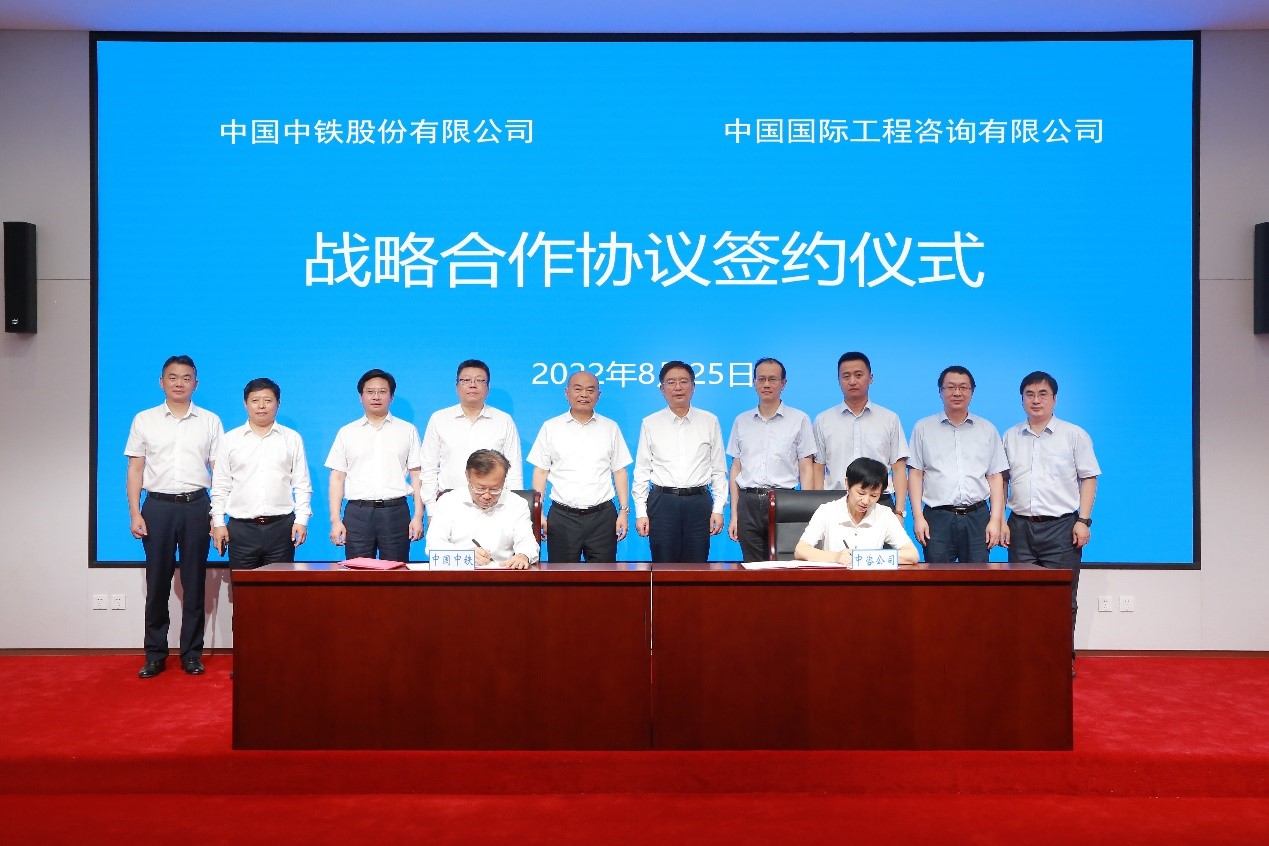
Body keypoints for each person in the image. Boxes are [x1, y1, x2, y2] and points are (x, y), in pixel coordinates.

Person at [124, 355, 224, 678]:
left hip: (197, 506)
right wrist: (135, 512)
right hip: (157, 507)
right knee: (157, 584)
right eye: (173, 377)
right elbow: (135, 469)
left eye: (186, 378)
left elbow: (219, 472)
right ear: (161, 382)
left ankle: (191, 654)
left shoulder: (210, 421)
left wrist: (218, 517)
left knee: (194, 582)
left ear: (196, 383)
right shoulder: (144, 419)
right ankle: (155, 654)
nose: (179, 383)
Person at [1002, 371, 1101, 648]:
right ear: (1022, 399)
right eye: (1030, 394)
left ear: (1054, 399)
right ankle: (1026, 659)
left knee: (1062, 598)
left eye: (1043, 394)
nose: (1036, 400)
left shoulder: (1074, 435)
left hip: (1061, 528)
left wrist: (1083, 520)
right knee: (1021, 598)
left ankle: (1060, 661)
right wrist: (1000, 520)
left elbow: (1089, 477)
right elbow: (1001, 480)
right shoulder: (1010, 436)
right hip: (1020, 526)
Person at [528, 370, 633, 562]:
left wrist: (623, 511)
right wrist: (538, 513)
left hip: (603, 517)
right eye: (578, 389)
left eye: (590, 390)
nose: (584, 394)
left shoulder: (610, 427)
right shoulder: (551, 427)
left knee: (603, 576)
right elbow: (541, 472)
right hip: (563, 517)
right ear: (566, 393)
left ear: (598, 395)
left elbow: (619, 471)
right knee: (562, 576)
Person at [908, 365, 1008, 563]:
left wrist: (995, 519)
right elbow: (916, 474)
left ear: (972, 391)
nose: (957, 393)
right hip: (937, 518)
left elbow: (995, 476)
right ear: (940, 391)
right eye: (951, 387)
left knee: (978, 577)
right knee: (937, 578)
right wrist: (918, 518)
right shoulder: (923, 428)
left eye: (963, 387)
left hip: (977, 517)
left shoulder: (987, 429)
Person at [210, 378, 312, 570]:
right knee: (242, 588)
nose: (261, 406)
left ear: (278, 403)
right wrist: (218, 522)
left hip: (281, 529)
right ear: (245, 403)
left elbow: (302, 484)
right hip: (241, 530)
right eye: (255, 400)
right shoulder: (229, 440)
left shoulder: (292, 439)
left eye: (268, 400)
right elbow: (220, 486)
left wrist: (301, 520)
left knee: (280, 587)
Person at [632, 361, 728, 563]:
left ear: (693, 386)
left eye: (684, 381)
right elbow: (642, 470)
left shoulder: (709, 421)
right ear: (662, 389)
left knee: (697, 567)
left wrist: (718, 509)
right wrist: (641, 512)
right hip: (662, 502)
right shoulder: (650, 423)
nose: (678, 387)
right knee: (663, 567)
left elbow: (719, 470)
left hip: (699, 502)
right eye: (671, 382)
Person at [325, 368, 424, 562]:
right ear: (361, 397)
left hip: (395, 512)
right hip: (358, 514)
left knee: (396, 573)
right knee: (358, 574)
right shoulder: (347, 432)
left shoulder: (407, 430)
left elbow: (417, 475)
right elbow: (337, 478)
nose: (376, 397)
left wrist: (418, 516)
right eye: (370, 392)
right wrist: (335, 520)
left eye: (382, 391)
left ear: (391, 396)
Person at [727, 357, 815, 562]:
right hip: (748, 503)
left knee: (786, 568)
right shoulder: (741, 420)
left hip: (785, 501)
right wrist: (735, 515)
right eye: (761, 379)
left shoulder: (799, 419)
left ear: (783, 383)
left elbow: (806, 468)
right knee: (752, 568)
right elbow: (736, 468)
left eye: (773, 379)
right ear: (754, 382)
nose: (766, 384)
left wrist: (806, 513)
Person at [812, 352, 909, 517]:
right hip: (836, 501)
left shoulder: (889, 419)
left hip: (879, 502)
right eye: (846, 376)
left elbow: (899, 468)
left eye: (858, 375)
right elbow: (818, 468)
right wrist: (818, 509)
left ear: (870, 378)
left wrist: (899, 512)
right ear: (838, 380)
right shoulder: (823, 420)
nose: (852, 381)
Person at [420, 359, 523, 511]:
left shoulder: (504, 420)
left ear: (488, 388)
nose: (472, 385)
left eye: (479, 380)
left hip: (493, 506)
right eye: (466, 380)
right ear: (457, 387)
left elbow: (514, 469)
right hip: (450, 504)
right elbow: (429, 466)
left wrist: (513, 508)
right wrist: (431, 508)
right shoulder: (439, 419)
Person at [425, 449, 538, 568]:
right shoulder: (448, 501)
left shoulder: (517, 504)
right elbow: (433, 545)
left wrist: (523, 555)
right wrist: (465, 555)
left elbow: (526, 541)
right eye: (480, 488)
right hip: (458, 573)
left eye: (494, 489)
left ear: (504, 480)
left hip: (501, 573)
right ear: (467, 476)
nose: (487, 496)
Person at [794, 457, 919, 566]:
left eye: (874, 495)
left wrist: (867, 558)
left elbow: (912, 555)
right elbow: (801, 550)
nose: (866, 501)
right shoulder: (827, 511)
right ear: (847, 484)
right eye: (861, 493)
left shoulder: (884, 514)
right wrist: (836, 557)